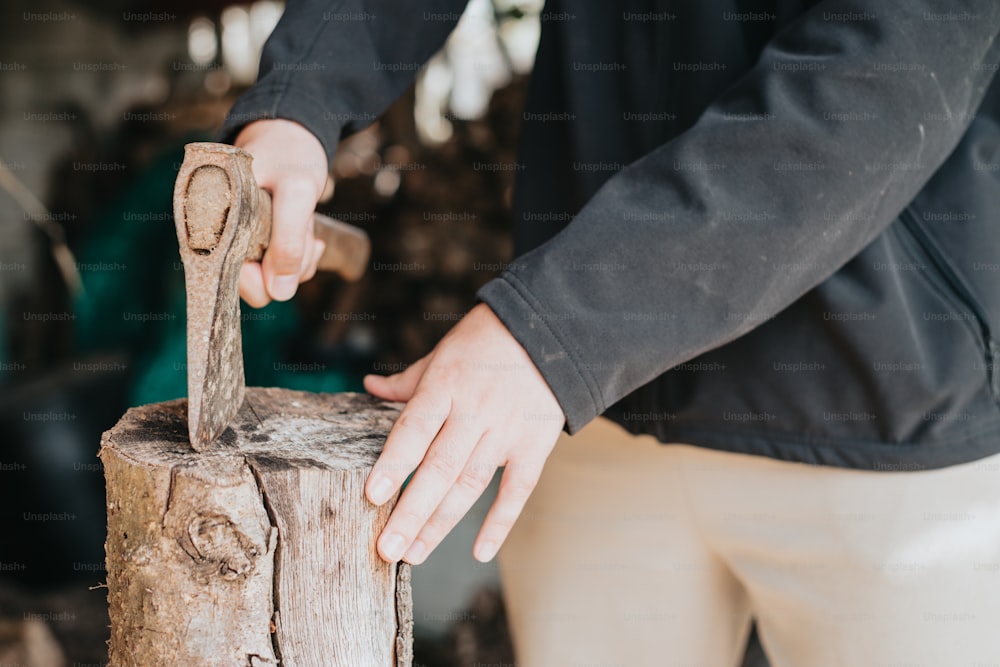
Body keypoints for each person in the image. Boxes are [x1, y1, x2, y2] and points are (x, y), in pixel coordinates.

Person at [220, 1, 1000, 664]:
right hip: (597, 418)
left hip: (881, 417)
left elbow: (885, 71)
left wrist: (560, 325)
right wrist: (298, 102)